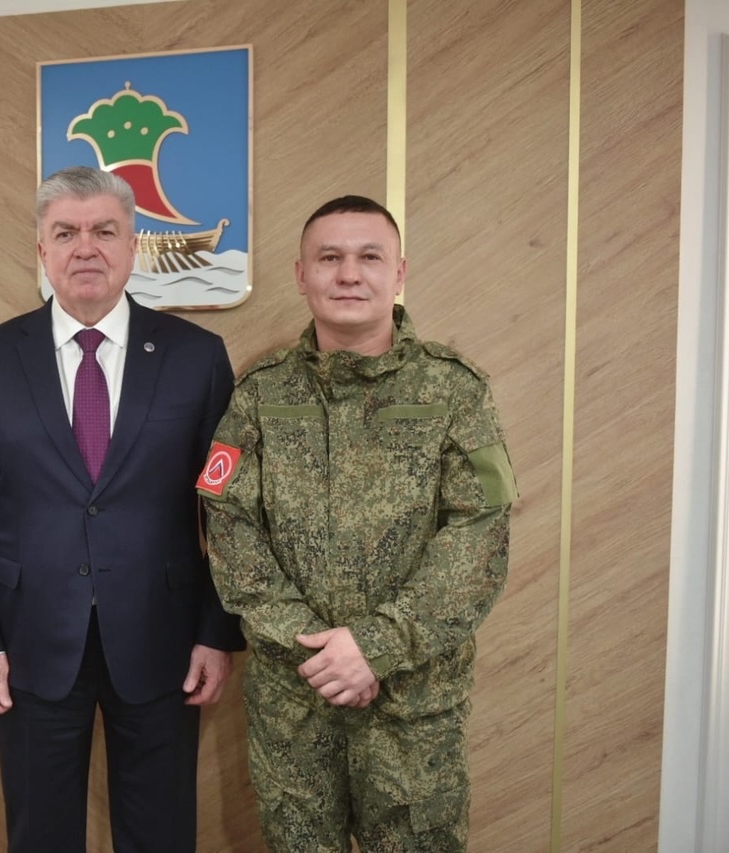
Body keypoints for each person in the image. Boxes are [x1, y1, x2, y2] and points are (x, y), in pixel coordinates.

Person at [199, 195, 517, 851]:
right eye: (330, 258)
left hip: (413, 708)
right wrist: (318, 651)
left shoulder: (454, 389)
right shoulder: (260, 391)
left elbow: (479, 534)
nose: (349, 274)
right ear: (301, 275)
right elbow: (227, 523)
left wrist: (375, 645)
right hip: (294, 702)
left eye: (369, 257)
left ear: (398, 273)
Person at [0, 166, 245, 853]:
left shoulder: (197, 358)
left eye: (104, 231)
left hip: (164, 640)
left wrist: (215, 631)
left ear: (133, 244)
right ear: (41, 250)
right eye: (66, 233)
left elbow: (228, 512)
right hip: (28, 642)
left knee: (161, 834)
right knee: (41, 836)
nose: (85, 247)